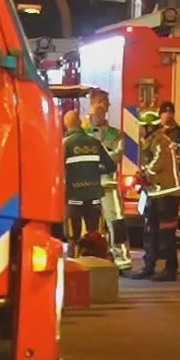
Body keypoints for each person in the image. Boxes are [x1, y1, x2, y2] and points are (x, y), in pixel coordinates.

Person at [136, 101, 180, 281]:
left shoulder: (161, 140)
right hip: (155, 192)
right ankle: (149, 265)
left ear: (149, 127)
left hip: (167, 194)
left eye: (143, 127)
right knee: (150, 229)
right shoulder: (150, 140)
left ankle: (170, 268)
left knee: (166, 232)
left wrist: (146, 173)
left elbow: (158, 162)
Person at [83, 90, 133, 271]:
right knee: (88, 226)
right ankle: (89, 257)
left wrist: (97, 158)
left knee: (117, 223)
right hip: (89, 187)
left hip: (109, 187)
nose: (101, 110)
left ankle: (122, 260)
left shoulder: (114, 134)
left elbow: (116, 157)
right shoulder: (84, 133)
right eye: (98, 106)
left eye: (104, 106)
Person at [61, 110, 115, 251]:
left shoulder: (64, 144)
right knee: (94, 235)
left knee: (73, 237)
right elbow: (111, 166)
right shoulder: (95, 142)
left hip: (74, 198)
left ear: (65, 125)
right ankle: (96, 264)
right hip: (94, 197)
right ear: (79, 123)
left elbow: (57, 170)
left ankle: (74, 264)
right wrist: (95, 172)